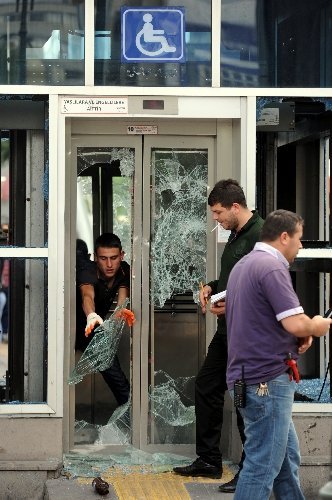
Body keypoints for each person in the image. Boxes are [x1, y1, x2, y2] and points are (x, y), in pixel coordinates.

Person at [225, 209, 332, 500]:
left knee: (285, 461)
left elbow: (260, 322)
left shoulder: (244, 266)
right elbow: (296, 322)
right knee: (262, 466)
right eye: (298, 239)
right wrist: (317, 325)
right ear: (284, 237)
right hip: (267, 383)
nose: (300, 247)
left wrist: (296, 335)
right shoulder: (271, 268)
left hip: (245, 380)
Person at [173, 179, 264, 492]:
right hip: (227, 333)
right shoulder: (237, 234)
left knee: (244, 400)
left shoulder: (260, 235)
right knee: (207, 386)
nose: (215, 219)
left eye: (218, 212)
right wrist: (213, 286)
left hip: (247, 338)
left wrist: (233, 303)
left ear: (235, 207)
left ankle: (249, 472)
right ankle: (209, 461)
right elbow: (234, 280)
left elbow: (267, 287)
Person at [76, 233, 130, 406]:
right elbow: (87, 295)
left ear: (121, 256)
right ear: (95, 257)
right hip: (75, 326)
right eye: (103, 258)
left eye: (114, 258)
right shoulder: (88, 271)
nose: (109, 264)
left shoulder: (123, 270)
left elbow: (122, 298)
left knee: (116, 376)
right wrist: (91, 315)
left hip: (95, 328)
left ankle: (132, 414)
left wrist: (120, 313)